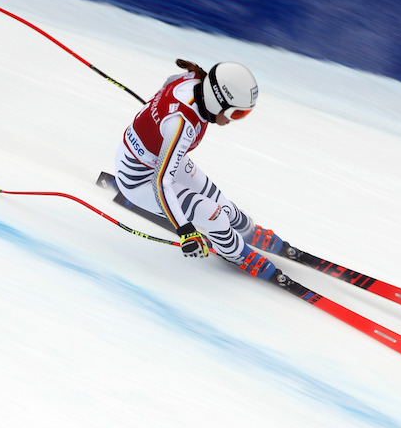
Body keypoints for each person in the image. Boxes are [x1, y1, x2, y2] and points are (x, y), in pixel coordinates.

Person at [113, 59, 283, 280]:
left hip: (158, 156)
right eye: (237, 114)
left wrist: (157, 120)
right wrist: (185, 231)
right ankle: (236, 253)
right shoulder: (181, 126)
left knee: (225, 207)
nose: (233, 121)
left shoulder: (194, 80)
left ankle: (246, 230)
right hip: (138, 180)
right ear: (217, 102)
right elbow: (160, 182)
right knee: (216, 217)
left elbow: (167, 88)